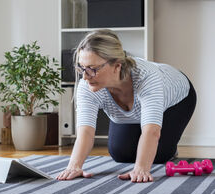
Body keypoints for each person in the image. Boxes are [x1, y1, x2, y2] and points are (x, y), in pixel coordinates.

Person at [56, 29, 196, 183]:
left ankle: (169, 148)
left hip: (177, 98)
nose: (85, 76)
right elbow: (86, 132)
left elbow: (152, 131)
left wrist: (141, 169)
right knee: (120, 153)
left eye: (92, 68)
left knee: (158, 156)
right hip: (134, 109)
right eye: (81, 68)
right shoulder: (87, 84)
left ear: (117, 66)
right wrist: (74, 166)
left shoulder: (147, 78)